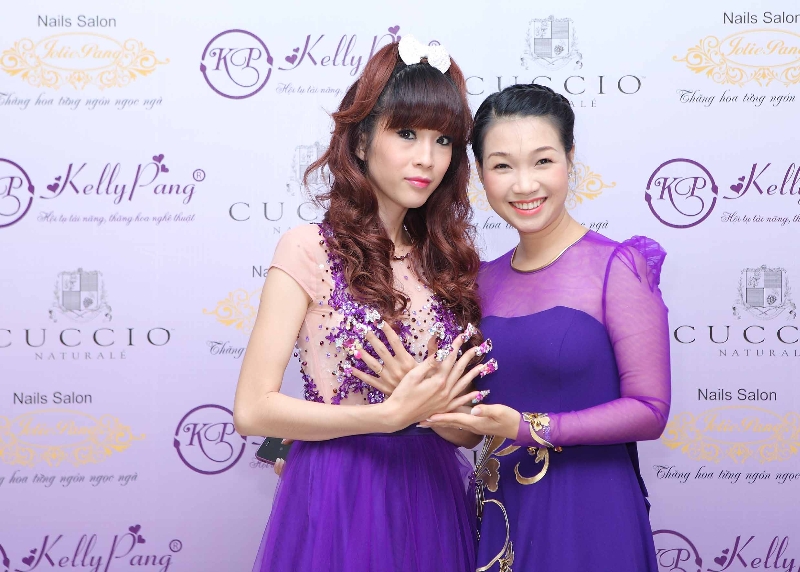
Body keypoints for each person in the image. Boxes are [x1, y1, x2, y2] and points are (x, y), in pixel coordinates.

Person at [233, 37, 493, 572]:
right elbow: (252, 409)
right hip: (341, 487)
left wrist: (424, 404)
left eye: (444, 140)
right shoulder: (309, 248)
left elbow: (469, 431)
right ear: (360, 141)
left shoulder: (449, 264)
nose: (427, 158)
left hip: (431, 494)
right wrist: (387, 415)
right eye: (406, 133)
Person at [421, 84, 671, 571]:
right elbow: (470, 426)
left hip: (591, 514)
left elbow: (650, 410)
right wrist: (425, 408)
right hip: (502, 513)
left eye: (542, 161)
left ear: (569, 159)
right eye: (502, 166)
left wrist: (527, 428)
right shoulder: (478, 281)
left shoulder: (616, 267)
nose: (523, 185)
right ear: (479, 173)